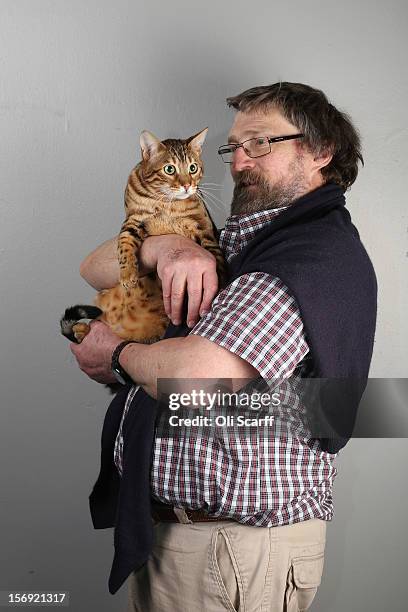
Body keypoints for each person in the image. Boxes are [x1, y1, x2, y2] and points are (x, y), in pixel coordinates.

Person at [70, 82, 377, 611]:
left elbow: (199, 374)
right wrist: (163, 246)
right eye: (233, 147)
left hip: (230, 549)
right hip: (186, 539)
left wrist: (117, 357)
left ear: (321, 151)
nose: (238, 162)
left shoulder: (307, 256)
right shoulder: (245, 241)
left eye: (260, 143)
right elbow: (91, 268)